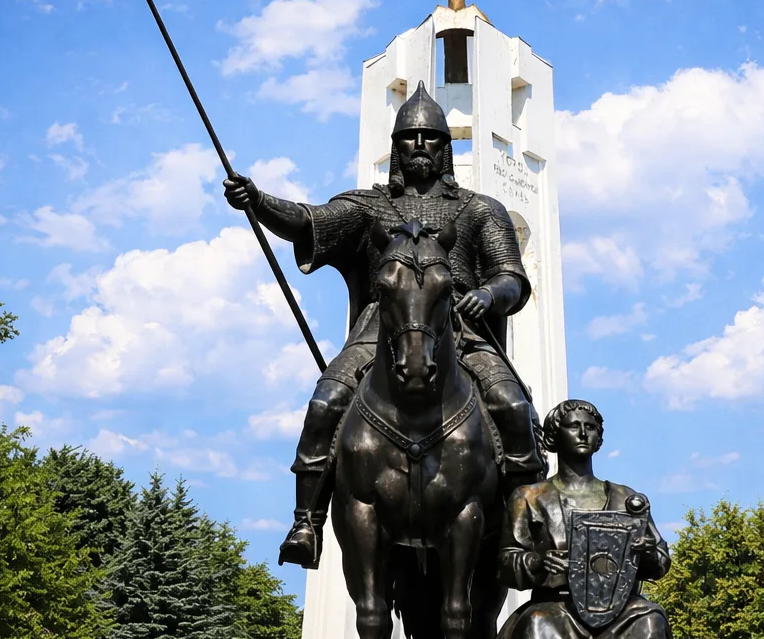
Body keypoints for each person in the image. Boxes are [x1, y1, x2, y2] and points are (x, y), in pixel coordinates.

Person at [223, 83, 543, 569]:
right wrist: (258, 200)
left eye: (430, 137)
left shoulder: (481, 209)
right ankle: (306, 522)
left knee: (513, 406)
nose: (420, 145)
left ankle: (523, 534)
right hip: (381, 328)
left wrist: (487, 294)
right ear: (396, 148)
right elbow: (309, 222)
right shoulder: (367, 207)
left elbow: (511, 278)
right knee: (325, 401)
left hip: (459, 326)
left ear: (445, 147)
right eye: (410, 137)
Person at [468, 399, 683, 639]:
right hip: (558, 607)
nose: (583, 433)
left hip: (619, 610)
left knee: (650, 620)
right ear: (554, 437)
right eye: (573, 426)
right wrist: (536, 562)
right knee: (538, 623)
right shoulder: (530, 497)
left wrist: (646, 551)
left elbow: (660, 560)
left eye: (591, 427)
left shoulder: (626, 498)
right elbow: (506, 561)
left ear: (599, 438)